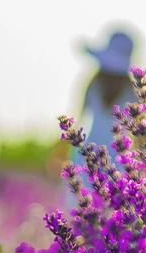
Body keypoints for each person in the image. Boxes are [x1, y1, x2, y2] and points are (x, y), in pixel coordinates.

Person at [58, 29, 140, 209]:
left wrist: (61, 150)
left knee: (79, 212)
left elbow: (75, 121)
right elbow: (141, 132)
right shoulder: (132, 90)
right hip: (120, 159)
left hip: (88, 153)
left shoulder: (94, 82)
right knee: (114, 216)